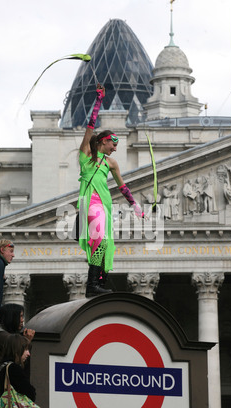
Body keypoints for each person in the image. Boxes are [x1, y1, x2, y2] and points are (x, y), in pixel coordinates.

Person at [78, 84, 143, 297]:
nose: (115, 147)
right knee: (99, 240)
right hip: (90, 200)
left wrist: (134, 205)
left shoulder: (111, 163)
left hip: (104, 203)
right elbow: (90, 126)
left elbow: (122, 186)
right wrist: (98, 100)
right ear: (104, 141)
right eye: (113, 143)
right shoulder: (87, 154)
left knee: (106, 243)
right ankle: (91, 285)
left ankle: (98, 284)